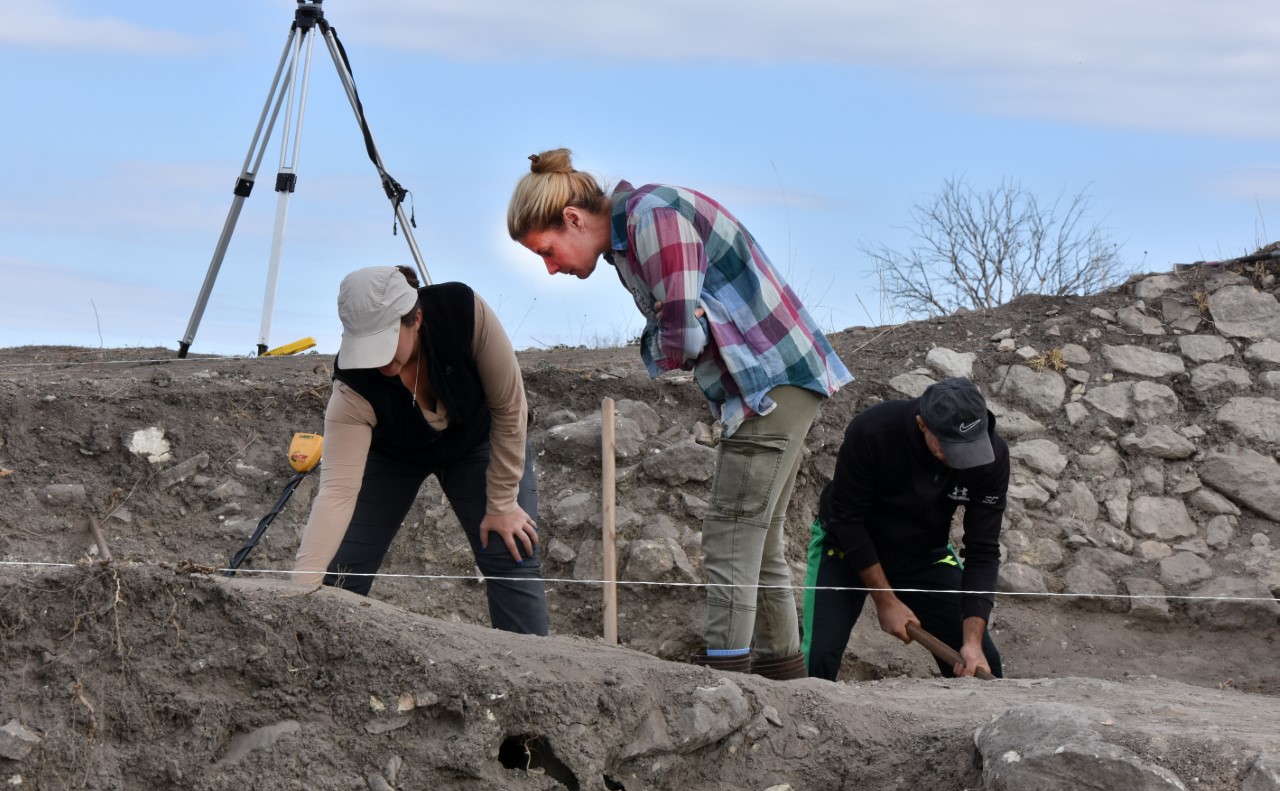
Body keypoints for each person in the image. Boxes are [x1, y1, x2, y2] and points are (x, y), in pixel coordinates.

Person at [507, 149, 852, 678]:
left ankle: (724, 681)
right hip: (782, 375)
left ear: (572, 219)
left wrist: (664, 342)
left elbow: (684, 338)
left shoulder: (652, 220)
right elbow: (682, 320)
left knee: (729, 533)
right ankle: (786, 679)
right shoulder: (634, 233)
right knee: (758, 539)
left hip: (768, 380)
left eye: (546, 251)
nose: (551, 267)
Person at [292, 265, 549, 636]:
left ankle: (533, 672)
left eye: (385, 343)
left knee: (510, 550)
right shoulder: (352, 388)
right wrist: (302, 591)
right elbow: (336, 492)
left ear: (416, 319)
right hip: (393, 457)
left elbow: (510, 407)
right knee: (340, 571)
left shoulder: (462, 313)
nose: (379, 363)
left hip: (477, 440)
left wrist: (503, 503)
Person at [802, 377, 1009, 680]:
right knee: (819, 656)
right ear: (923, 424)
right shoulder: (873, 431)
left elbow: (983, 550)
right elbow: (847, 518)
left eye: (970, 448)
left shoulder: (992, 457)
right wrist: (886, 601)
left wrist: (972, 642)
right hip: (844, 546)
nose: (962, 461)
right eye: (951, 448)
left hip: (924, 554)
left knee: (983, 663)